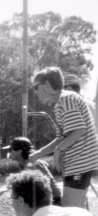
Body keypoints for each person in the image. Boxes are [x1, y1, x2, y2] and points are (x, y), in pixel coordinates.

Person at [29, 67, 98, 208]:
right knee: (78, 211)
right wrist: (40, 153)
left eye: (36, 87)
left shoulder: (65, 99)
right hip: (80, 164)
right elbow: (62, 137)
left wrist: (59, 150)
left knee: (70, 211)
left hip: (79, 164)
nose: (35, 92)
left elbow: (79, 130)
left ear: (47, 84)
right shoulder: (64, 100)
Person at [0, 137, 62, 206]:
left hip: (55, 201)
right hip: (47, 201)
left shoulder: (33, 163)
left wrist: (5, 188)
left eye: (10, 150)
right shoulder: (26, 164)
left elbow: (19, 180)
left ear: (19, 151)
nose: (9, 152)